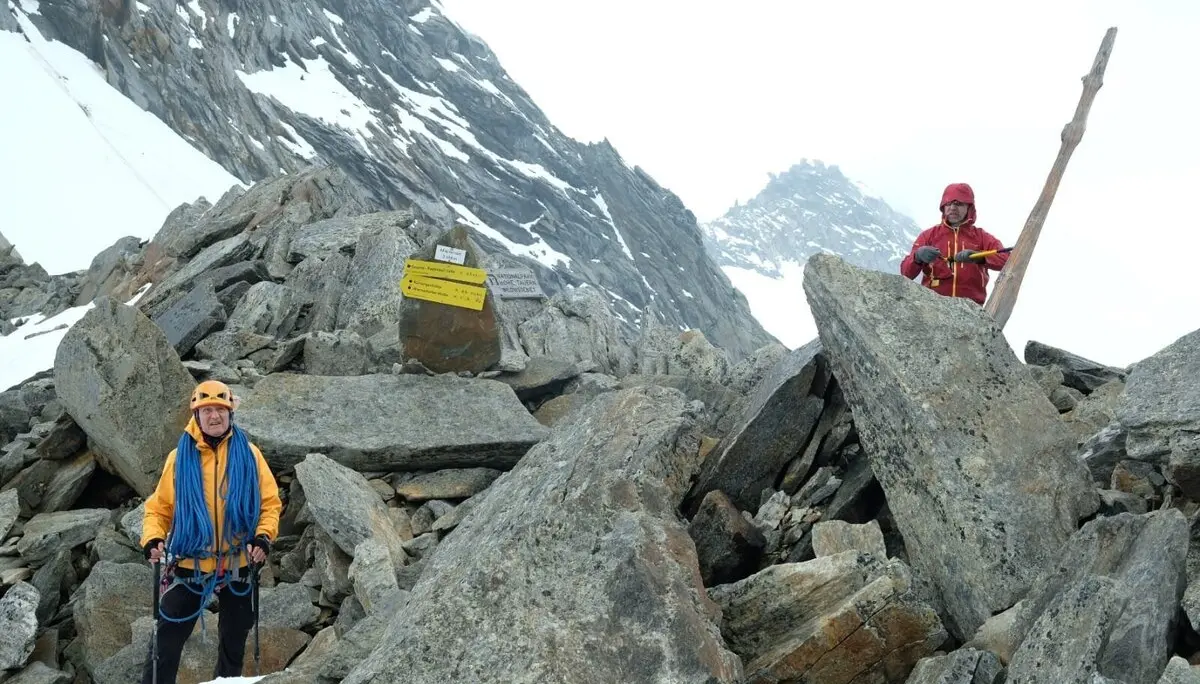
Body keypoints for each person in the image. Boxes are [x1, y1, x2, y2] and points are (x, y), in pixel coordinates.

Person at [139, 380, 282, 684]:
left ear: (230, 413)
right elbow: (159, 509)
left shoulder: (250, 455)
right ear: (196, 415)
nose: (214, 416)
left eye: (220, 409)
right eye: (207, 410)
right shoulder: (179, 458)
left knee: (234, 638)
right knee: (165, 641)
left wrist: (263, 536)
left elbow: (270, 504)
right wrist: (153, 537)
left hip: (238, 561)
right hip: (191, 560)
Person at [900, 183, 1010, 305]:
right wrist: (917, 257)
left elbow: (1007, 260)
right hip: (932, 307)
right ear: (943, 207)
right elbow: (905, 273)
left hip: (971, 309)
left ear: (969, 207)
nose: (952, 207)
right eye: (948, 203)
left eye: (958, 203)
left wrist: (980, 257)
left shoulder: (982, 237)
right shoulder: (928, 235)